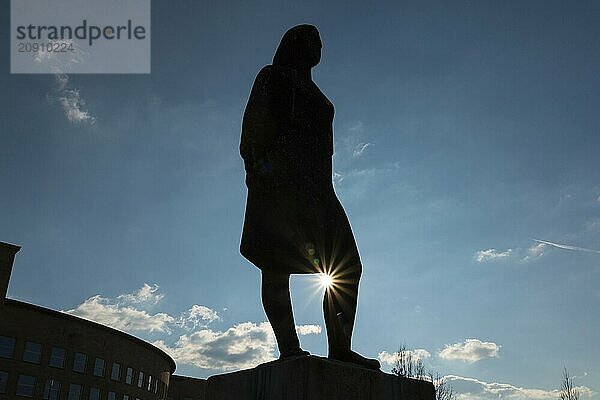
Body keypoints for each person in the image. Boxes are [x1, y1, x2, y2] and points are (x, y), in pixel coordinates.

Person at [240, 24, 380, 370]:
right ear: (295, 45)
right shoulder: (273, 77)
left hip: (320, 191)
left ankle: (340, 348)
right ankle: (289, 347)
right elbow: (254, 133)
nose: (319, 48)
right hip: (280, 187)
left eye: (321, 43)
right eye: (312, 41)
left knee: (347, 266)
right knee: (276, 266)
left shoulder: (316, 93)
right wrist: (263, 177)